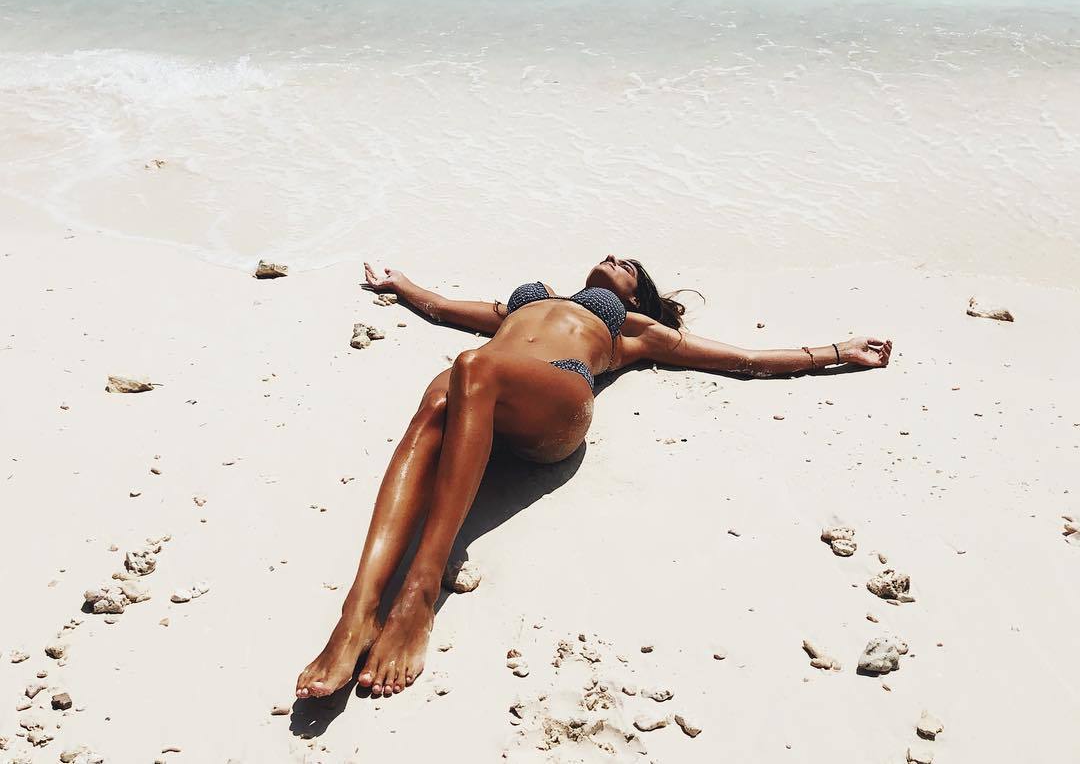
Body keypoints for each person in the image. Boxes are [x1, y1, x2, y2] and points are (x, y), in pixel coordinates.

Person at [296, 255, 892, 700]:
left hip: (554, 401)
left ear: (638, 295)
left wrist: (837, 351)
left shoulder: (634, 329)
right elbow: (450, 309)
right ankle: (358, 610)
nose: (614, 259)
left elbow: (743, 359)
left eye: (630, 266)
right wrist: (401, 286)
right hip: (481, 386)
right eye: (612, 256)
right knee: (440, 397)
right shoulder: (528, 303)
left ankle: (420, 592)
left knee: (472, 368)